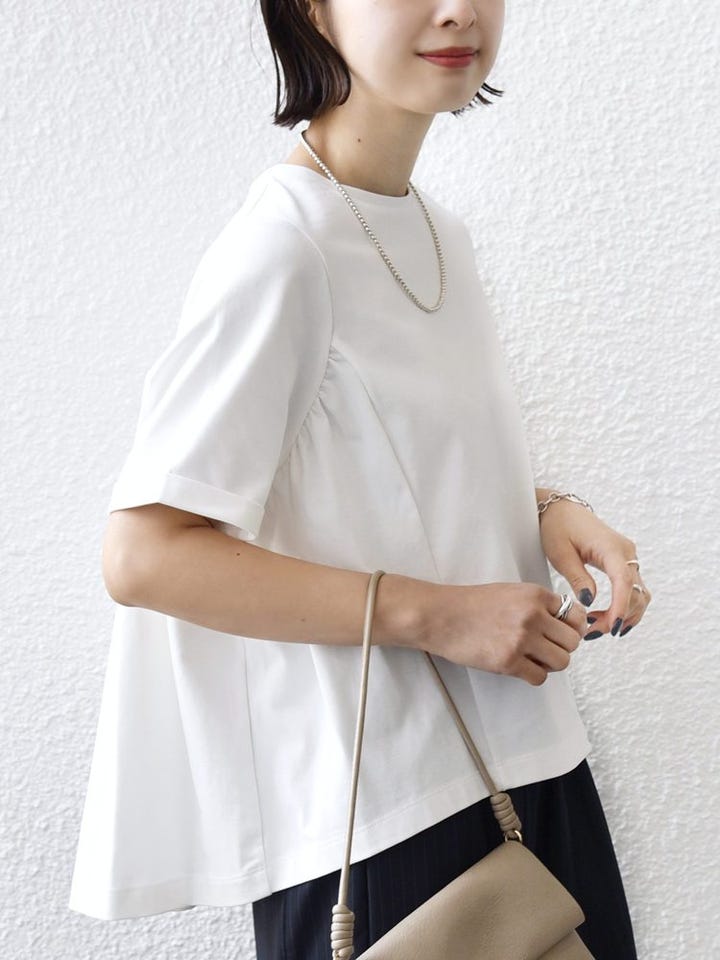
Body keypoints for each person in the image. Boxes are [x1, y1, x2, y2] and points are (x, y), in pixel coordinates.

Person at [68, 1, 651, 957]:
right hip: (392, 823)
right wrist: (442, 616)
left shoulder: (438, 233)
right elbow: (143, 555)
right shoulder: (282, 246)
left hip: (534, 772)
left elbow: (376, 471)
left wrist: (545, 509)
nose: (456, 9)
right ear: (311, 9)